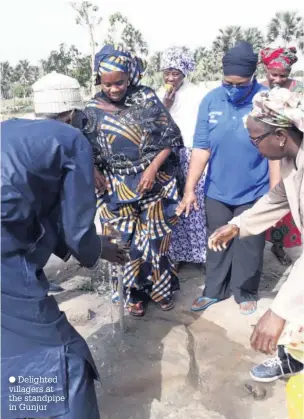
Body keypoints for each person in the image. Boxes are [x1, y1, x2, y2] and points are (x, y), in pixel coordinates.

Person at [1, 71, 128, 419]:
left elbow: (31, 205)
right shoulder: (70, 140)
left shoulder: (9, 129)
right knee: (65, 354)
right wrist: (98, 250)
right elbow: (76, 227)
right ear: (73, 114)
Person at [207, 88, 303, 392]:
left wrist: (277, 313)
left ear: (280, 136)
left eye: (255, 139)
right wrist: (238, 225)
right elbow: (279, 197)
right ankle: (294, 357)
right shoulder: (293, 158)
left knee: (291, 305)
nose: (253, 146)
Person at [83, 45, 183, 317]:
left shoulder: (146, 98)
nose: (114, 89)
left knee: (155, 239)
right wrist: (93, 170)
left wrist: (151, 170)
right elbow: (83, 146)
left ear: (130, 77)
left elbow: (171, 139)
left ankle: (160, 289)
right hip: (114, 187)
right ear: (98, 80)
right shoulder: (92, 108)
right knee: (122, 242)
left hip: (154, 182)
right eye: (108, 84)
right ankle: (131, 293)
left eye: (120, 83)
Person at [177, 41, 271, 315]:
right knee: (216, 240)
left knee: (249, 245)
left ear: (253, 77)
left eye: (240, 84)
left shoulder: (264, 101)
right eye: (227, 82)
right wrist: (189, 189)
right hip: (217, 188)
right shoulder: (211, 100)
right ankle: (214, 289)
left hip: (255, 189)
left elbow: (275, 152)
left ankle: (245, 291)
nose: (232, 89)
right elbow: (201, 147)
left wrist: (275, 193)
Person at [158, 47, 208, 266]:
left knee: (195, 201)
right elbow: (155, 125)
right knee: (172, 202)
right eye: (167, 72)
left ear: (185, 72)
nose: (170, 78)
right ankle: (177, 254)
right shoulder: (159, 94)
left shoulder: (197, 94)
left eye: (175, 73)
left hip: (191, 153)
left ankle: (199, 253)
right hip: (168, 155)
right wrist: (165, 106)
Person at [260, 46, 303, 266]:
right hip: (266, 149)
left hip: (291, 151)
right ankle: (271, 244)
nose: (277, 79)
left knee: (290, 197)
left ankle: (282, 246)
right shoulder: (260, 90)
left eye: (282, 76)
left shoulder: (298, 88)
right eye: (273, 74)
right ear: (265, 69)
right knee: (270, 197)